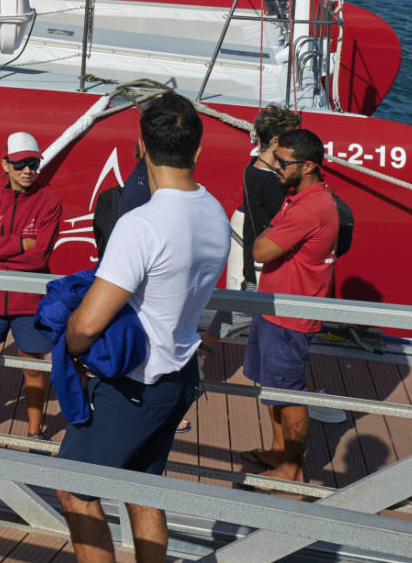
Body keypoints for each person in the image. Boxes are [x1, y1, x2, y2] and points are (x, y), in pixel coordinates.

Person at [57, 93, 230, 563]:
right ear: (197, 151)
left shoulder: (142, 224)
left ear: (140, 148)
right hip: (178, 375)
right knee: (142, 486)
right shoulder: (214, 213)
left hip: (134, 383)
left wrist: (72, 349)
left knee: (75, 490)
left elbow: (89, 322)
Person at [240, 128, 339, 484]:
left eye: (282, 161)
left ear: (308, 166)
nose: (275, 166)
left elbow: (261, 250)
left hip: (290, 316)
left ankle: (293, 468)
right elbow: (257, 173)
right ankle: (279, 451)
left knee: (289, 393)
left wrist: (268, 236)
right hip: (275, 306)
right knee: (273, 386)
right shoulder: (301, 196)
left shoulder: (310, 207)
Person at [0, 131, 63, 437]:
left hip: (28, 300)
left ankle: (34, 432)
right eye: (20, 164)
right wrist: (21, 242)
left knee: (33, 367)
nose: (27, 171)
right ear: (5, 164)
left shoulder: (49, 202)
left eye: (33, 163)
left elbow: (39, 257)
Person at [236, 104, 299, 290]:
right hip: (263, 275)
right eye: (291, 140)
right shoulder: (270, 182)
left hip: (251, 267)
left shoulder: (252, 166)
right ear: (276, 142)